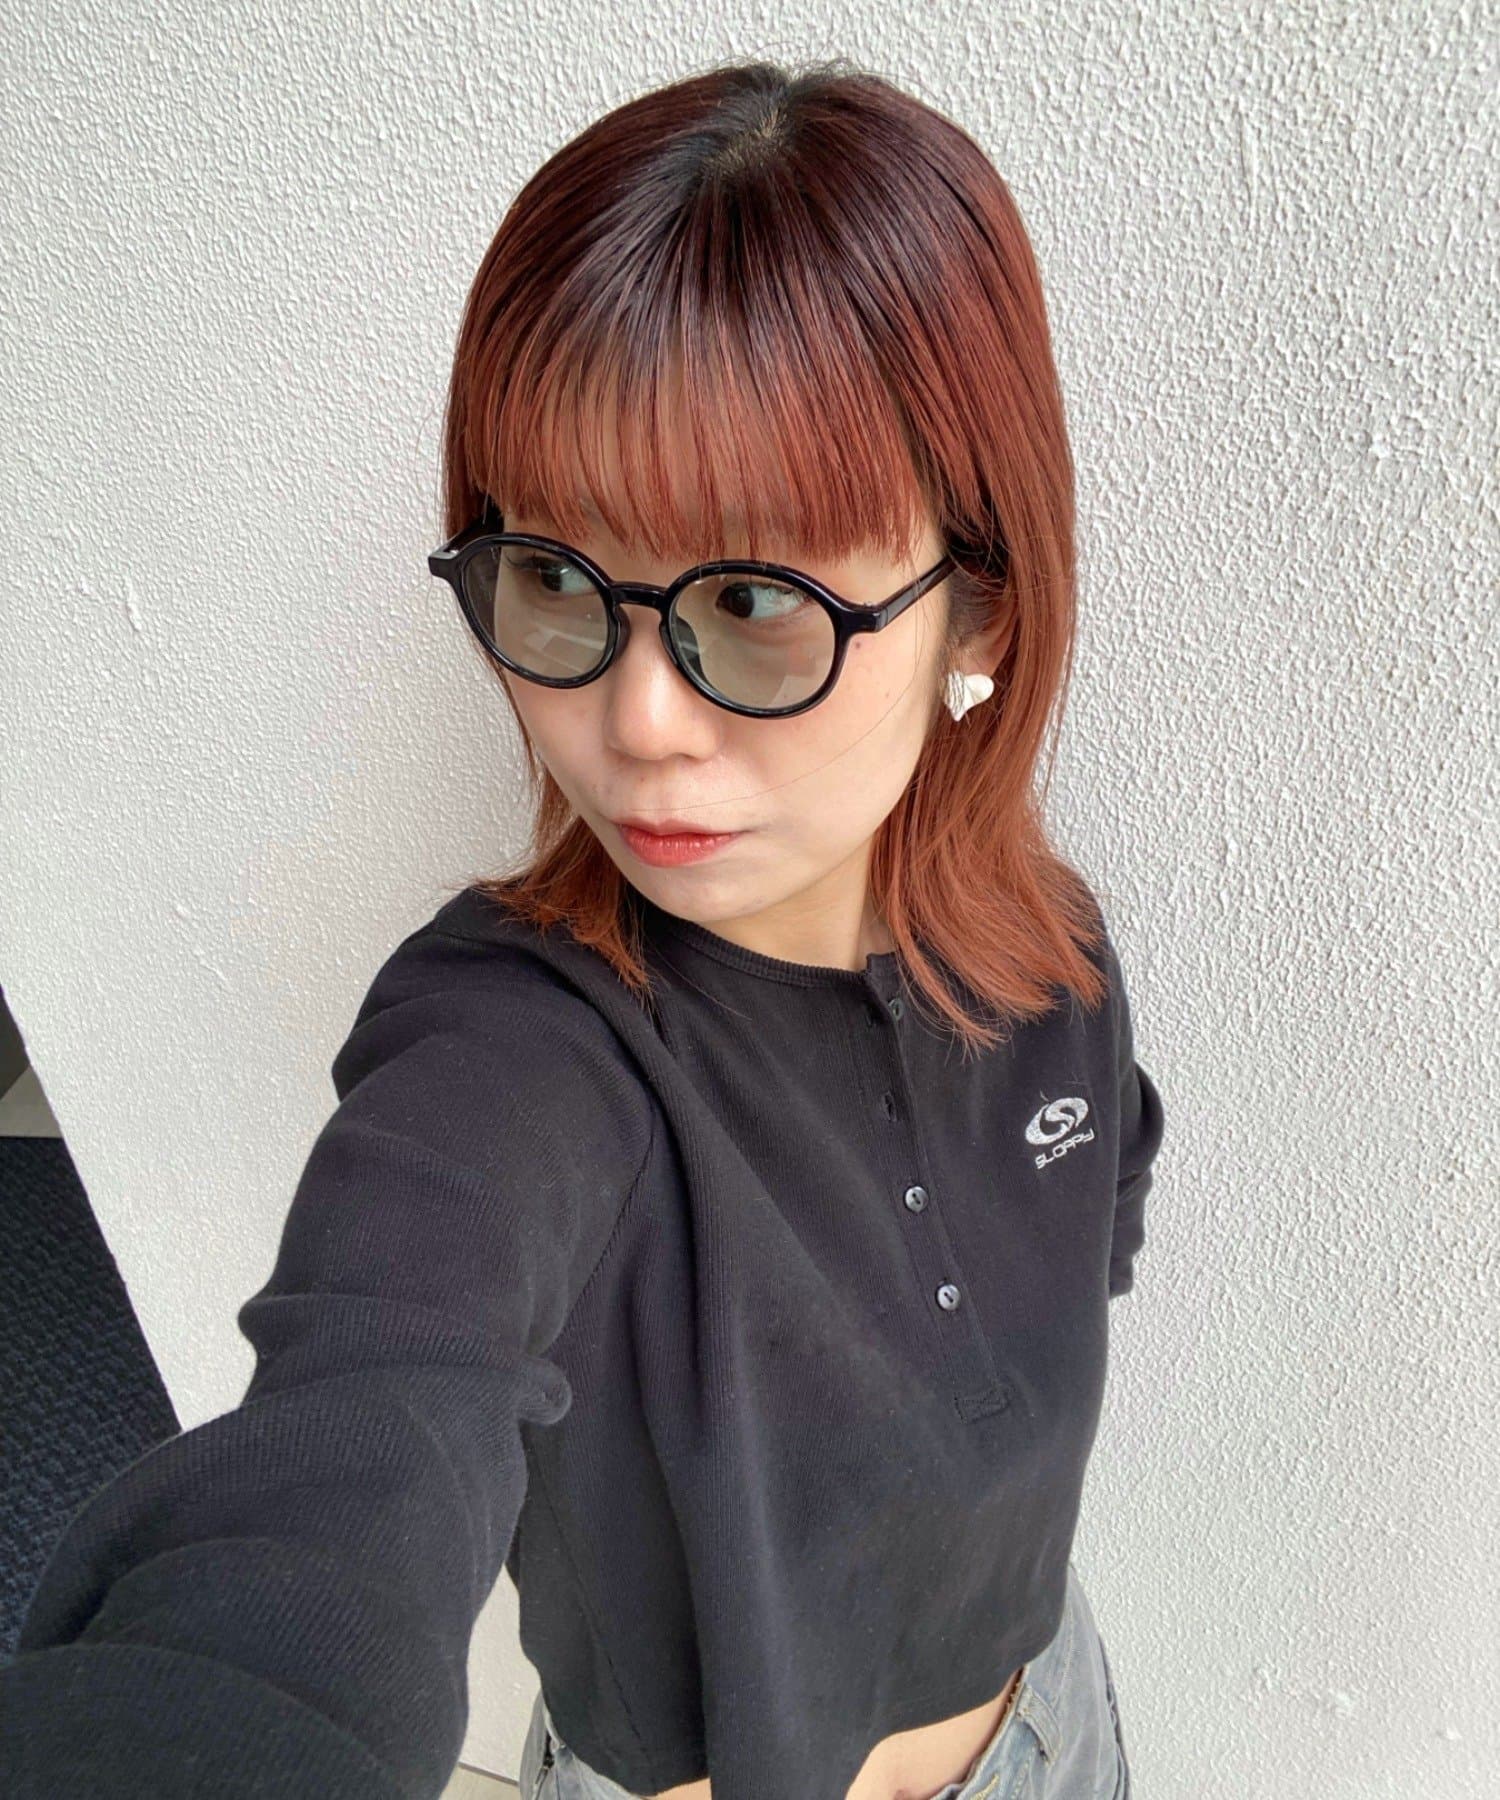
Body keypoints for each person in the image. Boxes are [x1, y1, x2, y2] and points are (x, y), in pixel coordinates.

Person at [0, 56, 1164, 1800]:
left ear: (978, 605)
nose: (635, 724)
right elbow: (357, 1435)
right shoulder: (520, 1050)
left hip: (1058, 1727)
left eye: (754, 599)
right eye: (553, 578)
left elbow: (1096, 1218)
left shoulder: (1049, 960)